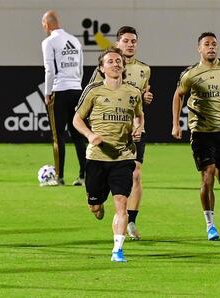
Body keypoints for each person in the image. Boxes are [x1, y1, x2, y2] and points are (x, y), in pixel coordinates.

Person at [73, 48, 144, 262]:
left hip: (123, 156)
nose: (115, 64)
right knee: (95, 205)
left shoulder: (133, 92)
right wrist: (90, 134)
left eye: (118, 61)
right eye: (110, 61)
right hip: (97, 157)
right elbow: (77, 119)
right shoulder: (93, 91)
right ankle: (96, 203)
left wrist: (138, 128)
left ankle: (117, 250)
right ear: (102, 68)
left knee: (121, 202)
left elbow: (139, 116)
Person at [171, 32, 220, 241]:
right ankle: (210, 224)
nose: (211, 47)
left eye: (214, 44)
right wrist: (176, 124)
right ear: (199, 49)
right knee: (207, 175)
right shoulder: (191, 74)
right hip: (201, 132)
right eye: (207, 44)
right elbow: (178, 95)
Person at [89, 26, 152, 240]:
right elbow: (92, 98)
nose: (130, 44)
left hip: (132, 131)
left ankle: (130, 220)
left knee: (136, 173)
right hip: (106, 135)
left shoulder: (144, 69)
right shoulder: (105, 67)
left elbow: (139, 100)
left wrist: (146, 100)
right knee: (98, 195)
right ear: (117, 44)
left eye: (133, 41)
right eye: (125, 41)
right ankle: (100, 200)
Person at [41, 10, 87, 186]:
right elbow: (81, 67)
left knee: (58, 135)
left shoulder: (49, 42)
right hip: (77, 90)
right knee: (78, 134)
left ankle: (58, 177)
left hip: (59, 91)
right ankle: (84, 176)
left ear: (46, 24)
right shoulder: (74, 40)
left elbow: (50, 69)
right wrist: (77, 85)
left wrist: (47, 92)